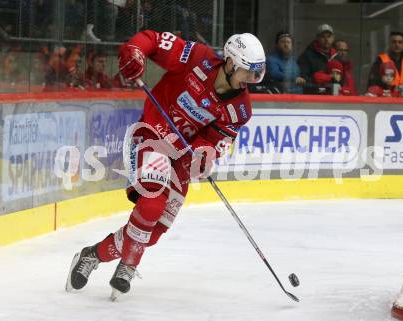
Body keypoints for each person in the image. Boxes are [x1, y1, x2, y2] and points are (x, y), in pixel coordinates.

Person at [66, 30, 266, 299]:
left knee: (155, 230)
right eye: (247, 72)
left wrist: (202, 155)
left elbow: (216, 142)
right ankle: (128, 265)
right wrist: (135, 52)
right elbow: (153, 39)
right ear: (230, 63)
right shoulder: (197, 58)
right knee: (151, 203)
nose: (251, 80)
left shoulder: (241, 109)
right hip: (152, 135)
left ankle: (93, 255)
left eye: (256, 74)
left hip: (181, 158)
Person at [367, 31, 403, 97]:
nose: (397, 44)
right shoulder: (381, 59)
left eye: (400, 42)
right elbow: (372, 82)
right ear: (389, 44)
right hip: (386, 100)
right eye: (394, 42)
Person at [297, 23, 341, 94]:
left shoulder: (337, 57)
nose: (326, 39)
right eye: (323, 37)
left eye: (329, 36)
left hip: (333, 97)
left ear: (333, 38)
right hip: (312, 96)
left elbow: (342, 80)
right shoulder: (307, 55)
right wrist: (322, 79)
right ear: (317, 38)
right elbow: (303, 77)